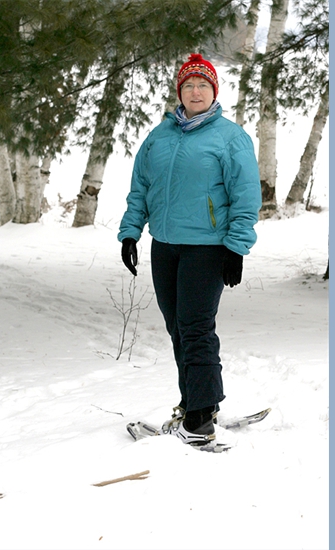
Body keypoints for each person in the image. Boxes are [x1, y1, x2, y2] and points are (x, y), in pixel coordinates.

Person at [117, 53, 262, 446]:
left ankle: (198, 421)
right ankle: (200, 403)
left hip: (208, 248)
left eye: (203, 85)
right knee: (178, 327)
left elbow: (246, 196)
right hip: (165, 246)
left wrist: (236, 247)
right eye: (188, 85)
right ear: (179, 91)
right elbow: (141, 188)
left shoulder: (231, 138)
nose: (195, 91)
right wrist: (131, 232)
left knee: (196, 327)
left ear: (214, 91)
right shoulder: (159, 137)